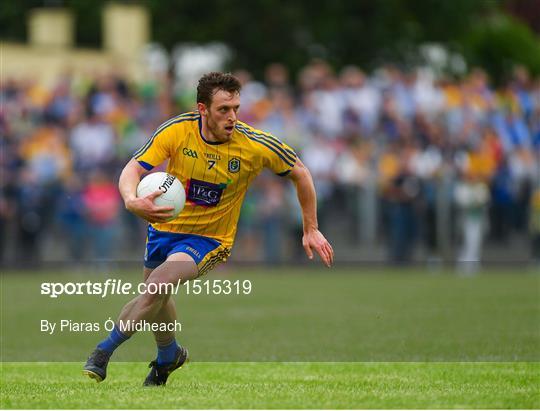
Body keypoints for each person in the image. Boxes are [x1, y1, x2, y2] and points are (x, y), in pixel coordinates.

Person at [83, 72, 334, 386]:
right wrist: (131, 200)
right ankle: (168, 355)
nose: (232, 117)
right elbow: (133, 168)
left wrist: (311, 227)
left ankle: (103, 351)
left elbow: (301, 173)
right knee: (157, 296)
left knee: (158, 285)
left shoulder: (254, 144)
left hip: (210, 238)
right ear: (202, 109)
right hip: (164, 228)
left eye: (236, 109)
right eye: (223, 110)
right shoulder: (177, 130)